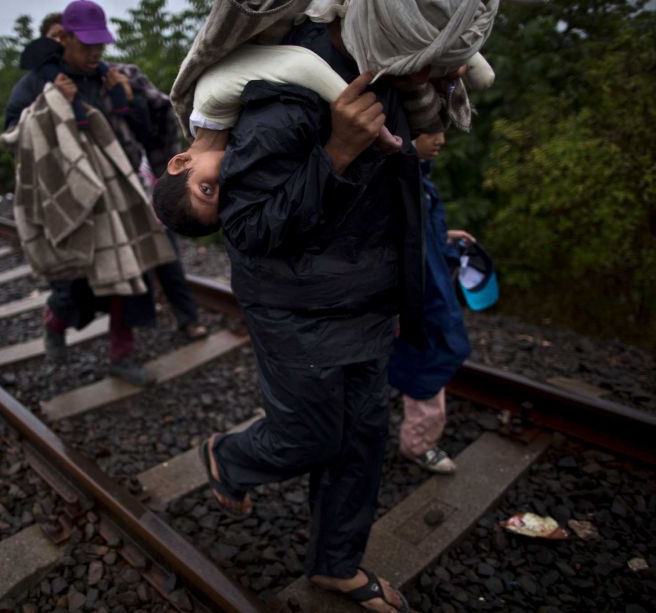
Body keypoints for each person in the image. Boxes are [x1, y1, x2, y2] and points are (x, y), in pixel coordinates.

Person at [171, 0, 497, 611]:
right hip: (297, 307)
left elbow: (392, 185)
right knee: (311, 437)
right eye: (423, 70)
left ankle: (335, 565)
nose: (428, 82)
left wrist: (405, 283)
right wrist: (338, 153)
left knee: (363, 439)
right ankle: (229, 457)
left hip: (366, 297)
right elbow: (248, 229)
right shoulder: (284, 102)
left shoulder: (391, 71)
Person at [1, 0, 205, 387]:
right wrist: (49, 105)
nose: (95, 53)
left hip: (122, 196)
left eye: (100, 45)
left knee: (130, 279)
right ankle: (55, 321)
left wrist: (126, 102)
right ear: (65, 38)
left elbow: (147, 136)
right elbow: (14, 133)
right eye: (87, 45)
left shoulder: (112, 78)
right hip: (73, 200)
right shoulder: (39, 82)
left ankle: (121, 356)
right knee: (76, 283)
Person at [153, 43, 493, 236]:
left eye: (207, 188)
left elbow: (299, 64)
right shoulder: (233, 133)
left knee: (481, 76)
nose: (226, 184)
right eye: (223, 199)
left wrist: (377, 131)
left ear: (180, 161)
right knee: (471, 74)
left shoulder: (211, 102)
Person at [388, 130, 473, 474]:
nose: (440, 140)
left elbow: (421, 236)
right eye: (429, 132)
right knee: (428, 361)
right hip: (418, 295)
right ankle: (418, 444)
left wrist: (446, 237)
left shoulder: (419, 181)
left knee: (424, 358)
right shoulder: (399, 184)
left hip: (429, 289)